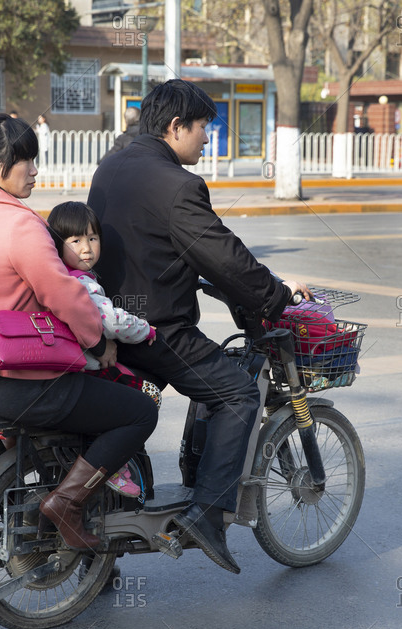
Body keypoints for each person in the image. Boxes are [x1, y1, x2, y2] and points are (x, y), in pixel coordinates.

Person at [88, 80, 312, 574]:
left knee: (128, 419)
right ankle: (207, 516)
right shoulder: (177, 184)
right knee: (236, 394)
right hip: (155, 330)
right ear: (175, 127)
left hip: (107, 322)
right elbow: (225, 254)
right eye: (203, 128)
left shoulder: (114, 165)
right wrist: (276, 295)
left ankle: (95, 555)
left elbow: (163, 244)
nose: (207, 139)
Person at [0, 114, 158, 551]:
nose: (35, 170)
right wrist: (99, 340)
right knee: (139, 411)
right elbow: (65, 295)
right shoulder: (20, 224)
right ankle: (67, 503)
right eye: (27, 161)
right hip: (14, 381)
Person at [47, 200, 160, 497]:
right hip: (88, 370)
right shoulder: (83, 285)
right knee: (149, 395)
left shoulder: (57, 279)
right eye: (76, 240)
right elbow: (111, 322)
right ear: (58, 245)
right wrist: (144, 329)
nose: (87, 248)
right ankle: (112, 465)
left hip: (65, 367)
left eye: (92, 238)